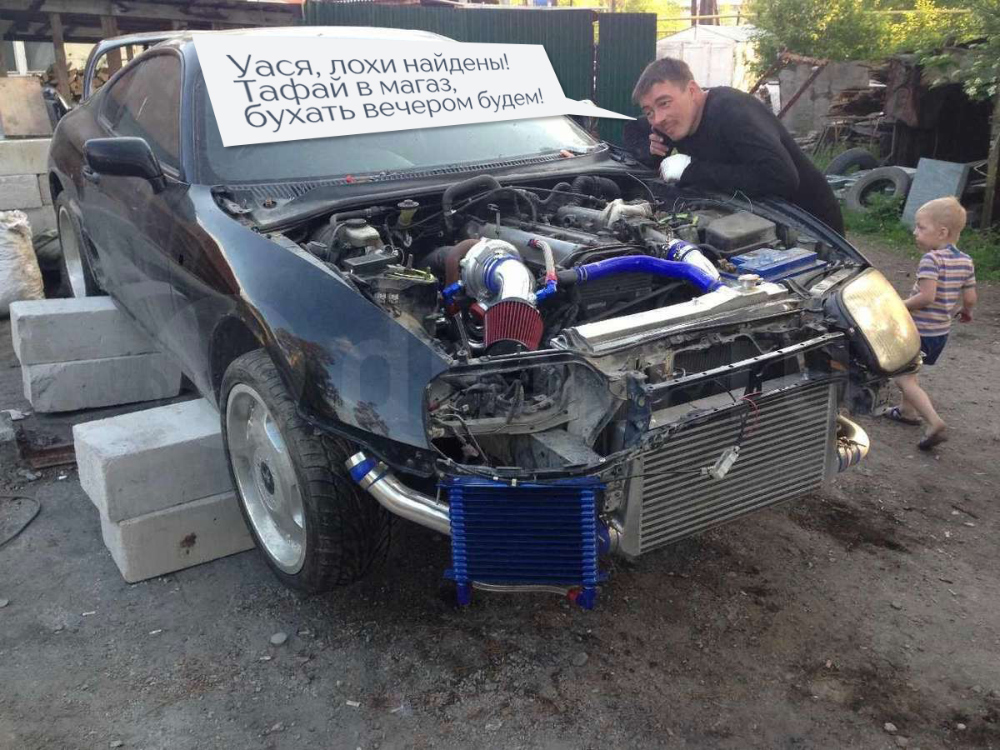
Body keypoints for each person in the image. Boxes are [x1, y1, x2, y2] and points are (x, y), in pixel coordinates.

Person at [623, 57, 845, 234]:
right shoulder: (674, 120)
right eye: (649, 111)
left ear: (691, 91)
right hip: (757, 218)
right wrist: (653, 151)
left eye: (664, 103)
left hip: (812, 228)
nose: (658, 119)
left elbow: (781, 177)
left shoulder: (732, 111)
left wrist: (691, 170)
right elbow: (633, 130)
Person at [883, 197, 977, 450]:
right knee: (912, 370)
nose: (915, 232)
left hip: (920, 331)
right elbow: (970, 298)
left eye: (921, 227)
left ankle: (934, 422)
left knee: (903, 377)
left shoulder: (932, 259)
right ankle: (907, 411)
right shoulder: (965, 261)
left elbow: (926, 297)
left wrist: (897, 306)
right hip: (940, 333)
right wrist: (966, 312)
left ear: (942, 232)